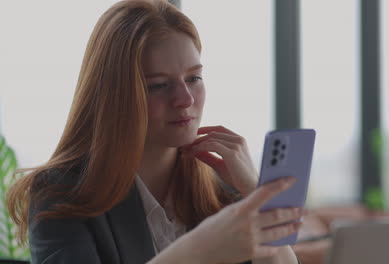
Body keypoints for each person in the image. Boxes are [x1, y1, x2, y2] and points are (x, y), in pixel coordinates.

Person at [6, 0, 304, 263]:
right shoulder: (62, 194)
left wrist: (256, 194)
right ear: (114, 95)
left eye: (194, 78)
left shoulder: (221, 188)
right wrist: (195, 252)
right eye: (159, 85)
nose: (185, 100)